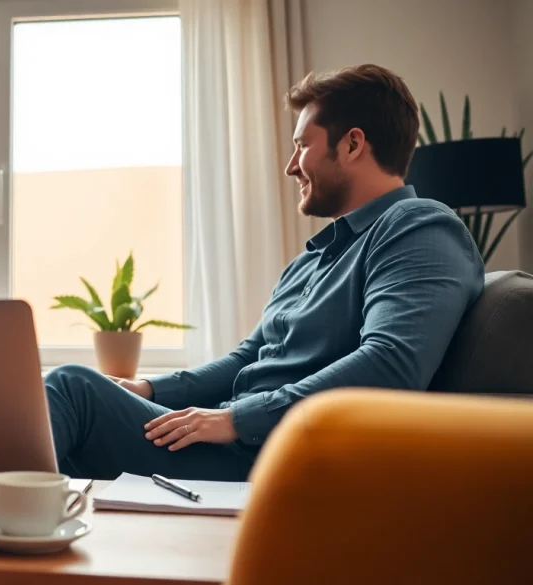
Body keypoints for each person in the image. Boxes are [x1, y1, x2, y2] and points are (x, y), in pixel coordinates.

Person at [44, 64, 485, 481]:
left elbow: (393, 363)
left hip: (276, 454)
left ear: (352, 145)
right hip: (239, 440)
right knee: (60, 405)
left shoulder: (418, 226)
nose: (293, 165)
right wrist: (148, 390)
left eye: (302, 145)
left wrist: (239, 419)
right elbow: (247, 358)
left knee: (70, 389)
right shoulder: (310, 261)